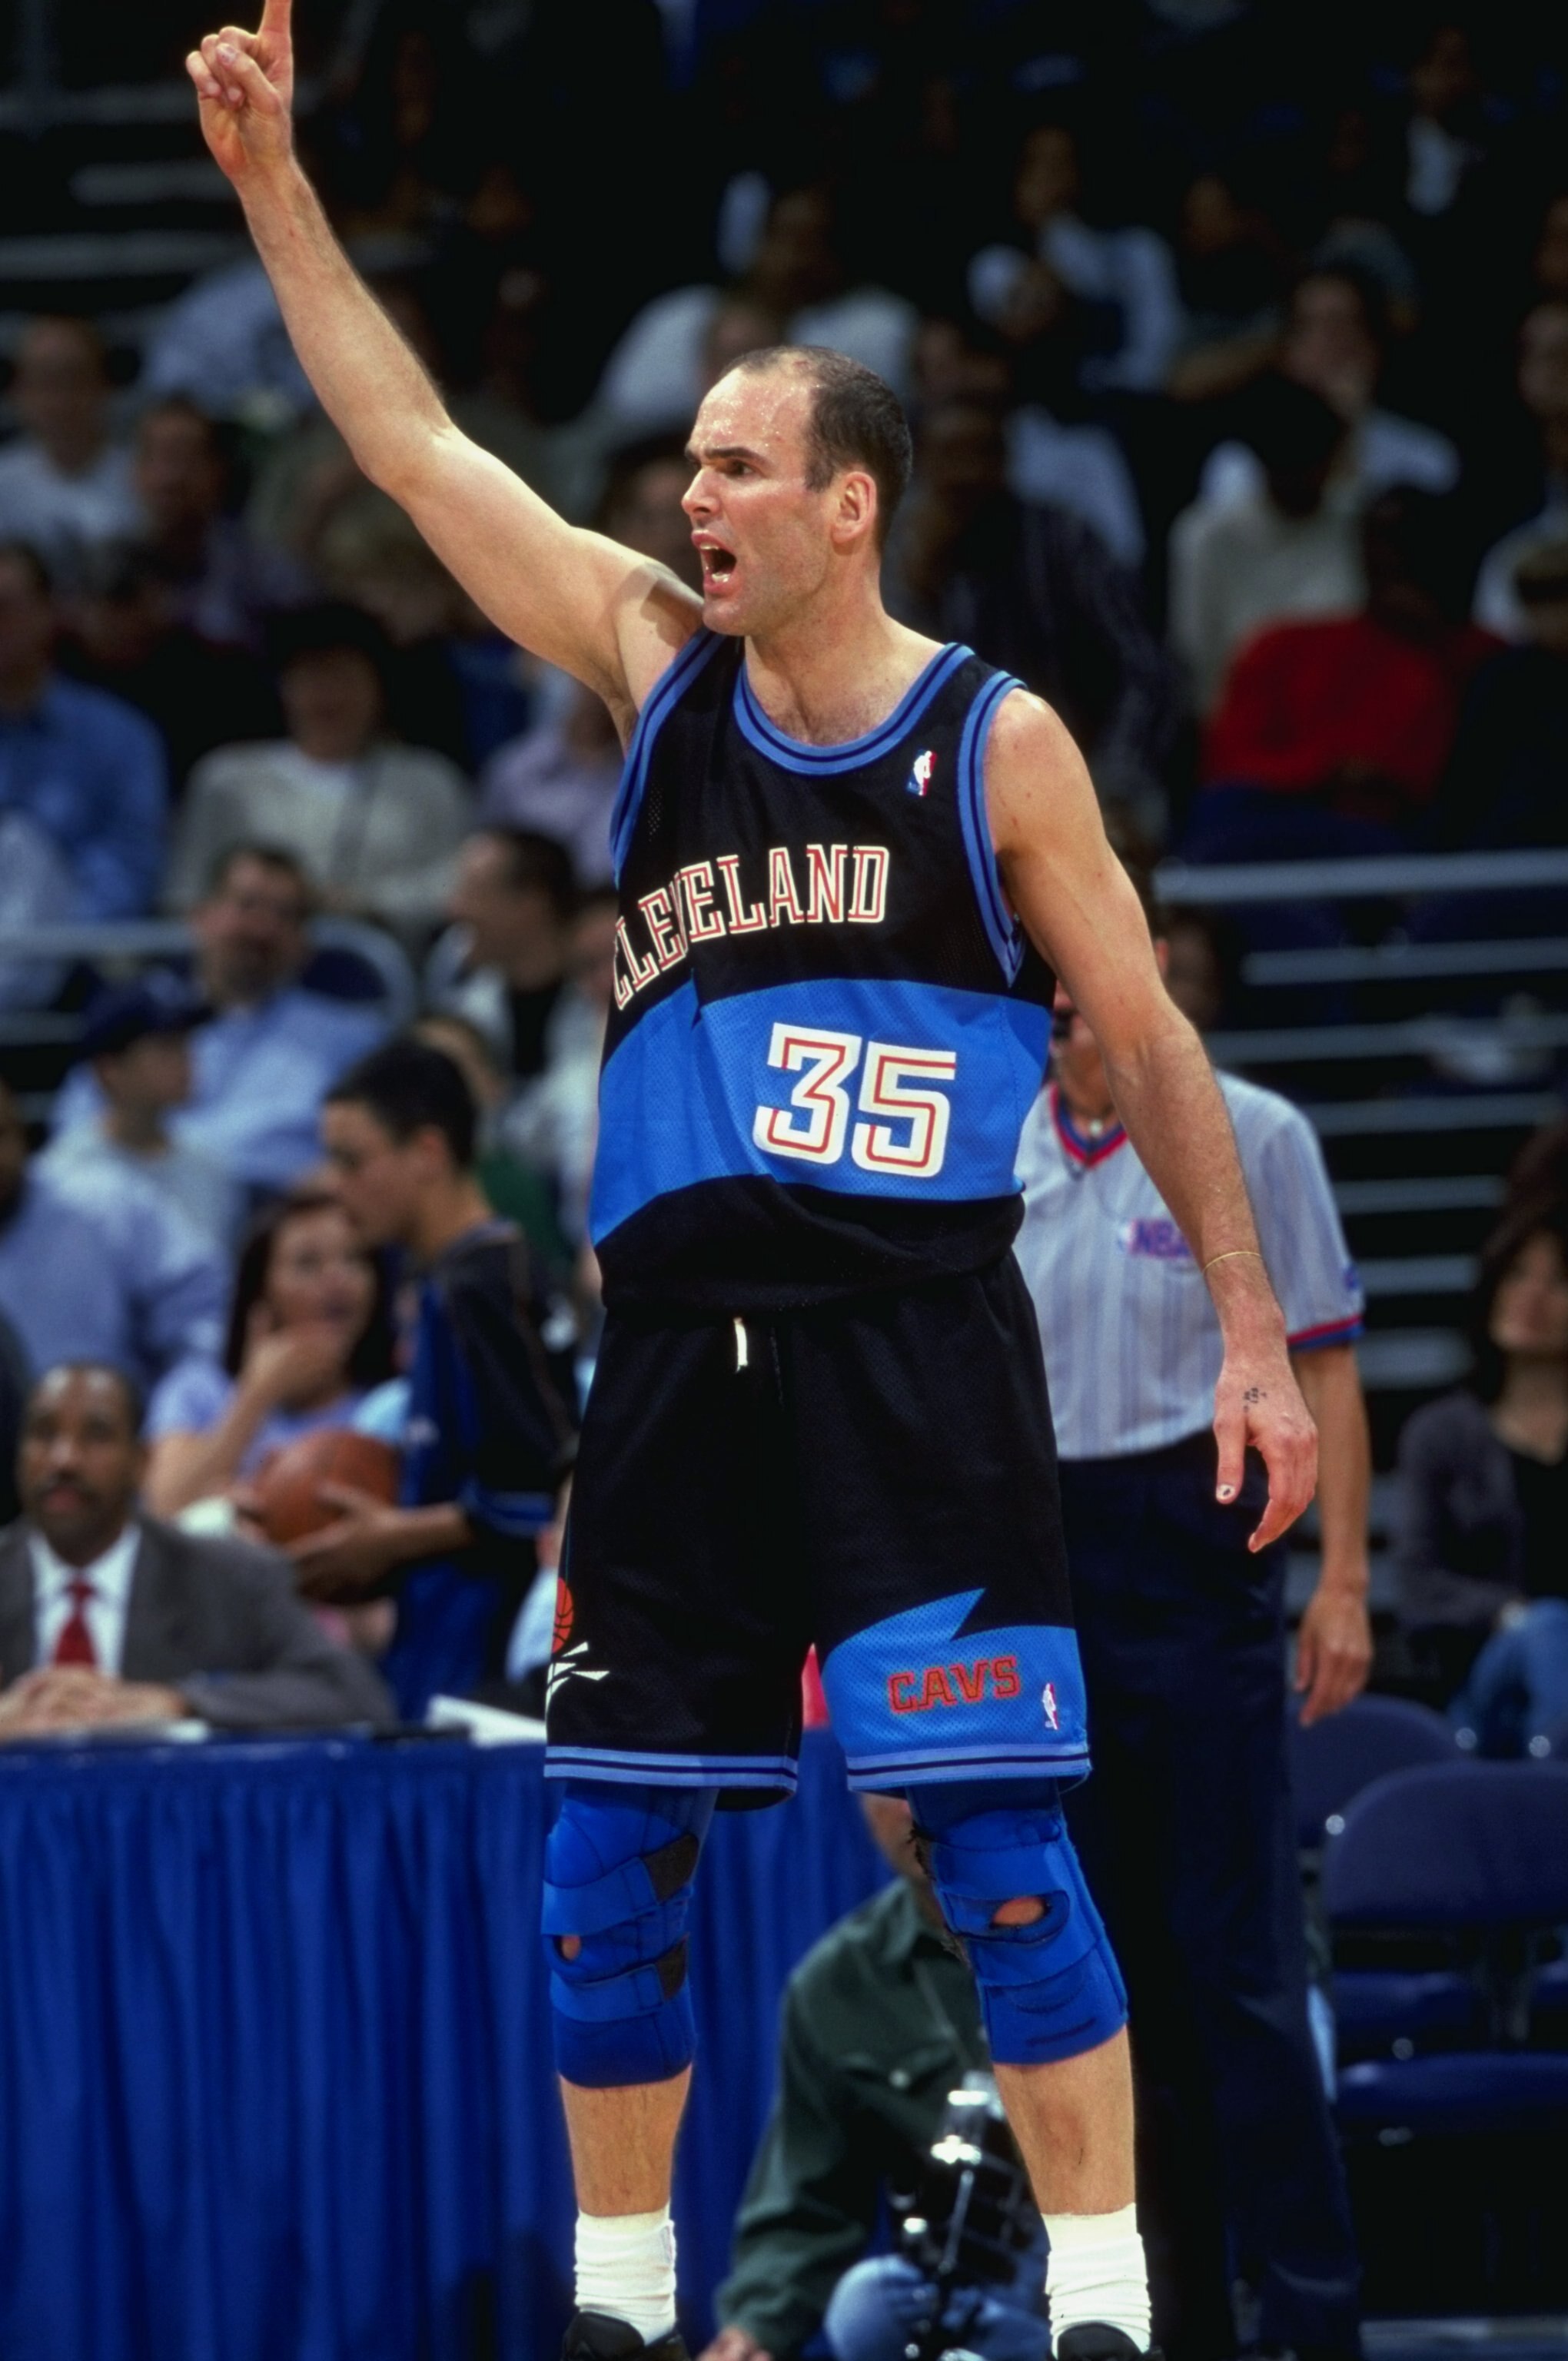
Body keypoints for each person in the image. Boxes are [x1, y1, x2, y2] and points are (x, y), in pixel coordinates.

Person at [189, 18, 1318, 2355]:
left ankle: (1100, 2305)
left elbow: (1160, 1044)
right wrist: (274, 184)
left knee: (1001, 1861)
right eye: (680, 462)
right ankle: (624, 2310)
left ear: (843, 503)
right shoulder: (643, 667)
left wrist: (1239, 1334)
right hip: (674, 1374)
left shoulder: (985, 741)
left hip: (913, 1359)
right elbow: (408, 450)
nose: (686, 493)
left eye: (732, 464)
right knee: (605, 1856)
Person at [1012, 918, 1370, 2361]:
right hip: (1045, 1553)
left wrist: (1342, 1579)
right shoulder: (993, 1144)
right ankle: (1167, 2324)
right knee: (1114, 1981)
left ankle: (1315, 2314)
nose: (1085, 1012)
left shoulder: (1256, 1133)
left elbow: (1329, 1361)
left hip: (1204, 1539)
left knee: (1241, 1969)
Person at [705, 1795, 1045, 2361]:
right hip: (975, 2288)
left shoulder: (1095, 1923)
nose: (912, 1800)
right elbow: (808, 2205)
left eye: (925, 1769)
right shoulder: (839, 1984)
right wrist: (753, 2333)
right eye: (886, 1780)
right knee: (865, 2306)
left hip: (1107, 2260)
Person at [301, 1039, 576, 1722]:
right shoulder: (448, 1280)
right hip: (437, 1638)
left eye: (352, 1160)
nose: (334, 1186)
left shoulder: (484, 1284)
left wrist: (388, 1538)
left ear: (427, 1153)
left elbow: (536, 1496)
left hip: (493, 1659)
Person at [0, 1361, 392, 1735]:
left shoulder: (233, 1577)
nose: (64, 1459)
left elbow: (354, 1695)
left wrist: (179, 1704)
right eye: (44, 1434)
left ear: (142, 1462)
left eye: (96, 1435)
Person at [885, 400, 1178, 833]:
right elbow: (882, 698)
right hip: (942, 790)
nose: (968, 471)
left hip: (1082, 774)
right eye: (951, 454)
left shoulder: (1065, 540)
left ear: (1006, 458)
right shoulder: (889, 556)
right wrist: (921, 586)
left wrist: (1109, 784)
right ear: (921, 464)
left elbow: (1144, 671)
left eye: (983, 452)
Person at [51, 842, 387, 1195]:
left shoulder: (350, 1038)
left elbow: (371, 1155)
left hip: (276, 1215)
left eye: (286, 915)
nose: (263, 929)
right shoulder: (135, 1015)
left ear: (306, 943)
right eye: (247, 905)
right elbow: (74, 1130)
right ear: (200, 917)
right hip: (135, 1202)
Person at [1190, 487, 1495, 857]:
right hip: (1289, 822)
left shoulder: (1492, 662)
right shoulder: (1282, 647)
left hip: (1417, 843)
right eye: (1381, 542)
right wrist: (1326, 772)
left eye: (1412, 542)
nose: (1393, 558)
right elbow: (1227, 765)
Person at [168, 601, 473, 941]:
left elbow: (458, 885)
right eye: (313, 677)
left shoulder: (429, 781)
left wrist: (371, 905)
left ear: (378, 686)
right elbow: (188, 892)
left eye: (345, 677)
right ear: (283, 687)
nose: (330, 697)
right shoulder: (227, 779)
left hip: (391, 973)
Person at [1396, 1201, 1568, 1750]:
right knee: (1545, 1632)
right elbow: (1420, 1587)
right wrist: (1510, 1614)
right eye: (1518, 1274)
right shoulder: (1443, 1435)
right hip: (1486, 1685)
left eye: (1560, 1281)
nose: (1533, 1297)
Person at [142, 1186, 397, 1521]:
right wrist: (257, 1394)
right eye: (308, 1263)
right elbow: (165, 1510)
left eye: (354, 1259)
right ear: (262, 1289)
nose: (337, 1280)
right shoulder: (197, 1389)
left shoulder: (391, 1402)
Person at [0, 1078, 227, 1390]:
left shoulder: (106, 1204)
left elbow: (202, 1317)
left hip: (127, 1429)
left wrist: (178, 1415)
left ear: (22, 1133)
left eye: (1, 1135)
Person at [0, 539, 168, 939]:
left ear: (49, 612)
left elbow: (129, 866)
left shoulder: (120, 737)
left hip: (73, 963)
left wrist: (36, 946)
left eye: (3, 608)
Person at [1168, 375, 1363, 713]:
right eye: (1293, 463)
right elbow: (1198, 664)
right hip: (1244, 729)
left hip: (1345, 719)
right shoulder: (1205, 537)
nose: (1307, 477)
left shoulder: (1357, 526)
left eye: (1316, 461)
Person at [37, 978, 242, 1253]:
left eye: (187, 1044)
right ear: (109, 1070)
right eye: (166, 1047)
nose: (188, 1060)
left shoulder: (210, 1167)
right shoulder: (62, 1175)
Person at [130, 393, 307, 649]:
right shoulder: (106, 572)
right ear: (134, 473)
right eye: (154, 457)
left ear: (217, 471)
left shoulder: (266, 576)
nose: (168, 479)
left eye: (183, 458)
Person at [426, 827, 581, 1087]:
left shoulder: (604, 1004)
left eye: (474, 893)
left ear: (531, 903)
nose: (453, 908)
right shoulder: (466, 1006)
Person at [0, 317, 139, 582]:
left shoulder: (143, 476)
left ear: (104, 386)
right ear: (18, 392)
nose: (60, 398)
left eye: (74, 379)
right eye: (45, 381)